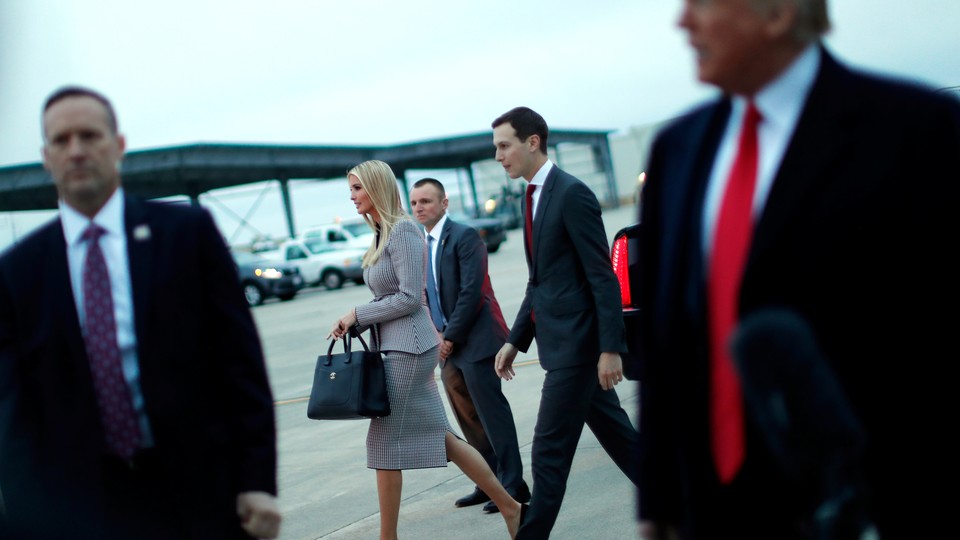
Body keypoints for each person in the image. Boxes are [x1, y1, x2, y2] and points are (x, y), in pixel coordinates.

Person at [635, 1, 960, 539]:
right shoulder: (678, 151)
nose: (682, 22)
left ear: (778, 13)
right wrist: (659, 502)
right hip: (717, 510)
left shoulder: (915, 130)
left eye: (701, 4)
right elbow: (669, 344)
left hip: (873, 506)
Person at [0, 86, 281, 539]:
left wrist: (257, 482)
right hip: (83, 510)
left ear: (119, 146)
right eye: (61, 140)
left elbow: (240, 366)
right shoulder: (18, 273)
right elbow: (14, 418)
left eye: (89, 135)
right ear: (45, 156)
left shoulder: (187, 234)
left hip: (201, 496)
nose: (76, 151)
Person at [326, 160, 523, 540]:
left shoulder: (402, 232)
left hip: (410, 349)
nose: (351, 197)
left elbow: (409, 298)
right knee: (442, 436)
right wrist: (359, 318)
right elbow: (392, 295)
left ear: (376, 188)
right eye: (350, 189)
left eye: (356, 189)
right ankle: (511, 507)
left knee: (382, 443)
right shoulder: (383, 232)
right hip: (398, 346)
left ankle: (388, 537)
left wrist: (357, 313)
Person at [492, 107, 640, 539]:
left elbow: (602, 276)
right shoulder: (532, 195)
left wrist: (611, 348)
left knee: (548, 453)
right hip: (560, 345)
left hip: (578, 349)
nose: (499, 156)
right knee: (625, 445)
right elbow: (541, 281)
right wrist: (515, 341)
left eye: (505, 145)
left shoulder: (571, 193)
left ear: (532, 142)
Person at [409, 177, 530, 514]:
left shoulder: (464, 237)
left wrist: (449, 338)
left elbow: (471, 293)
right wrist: (436, 334)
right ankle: (488, 482)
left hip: (476, 341)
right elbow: (428, 296)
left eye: (427, 201)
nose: (420, 208)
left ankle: (513, 486)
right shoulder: (424, 243)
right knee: (467, 418)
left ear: (444, 204)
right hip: (448, 345)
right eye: (415, 202)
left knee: (492, 416)